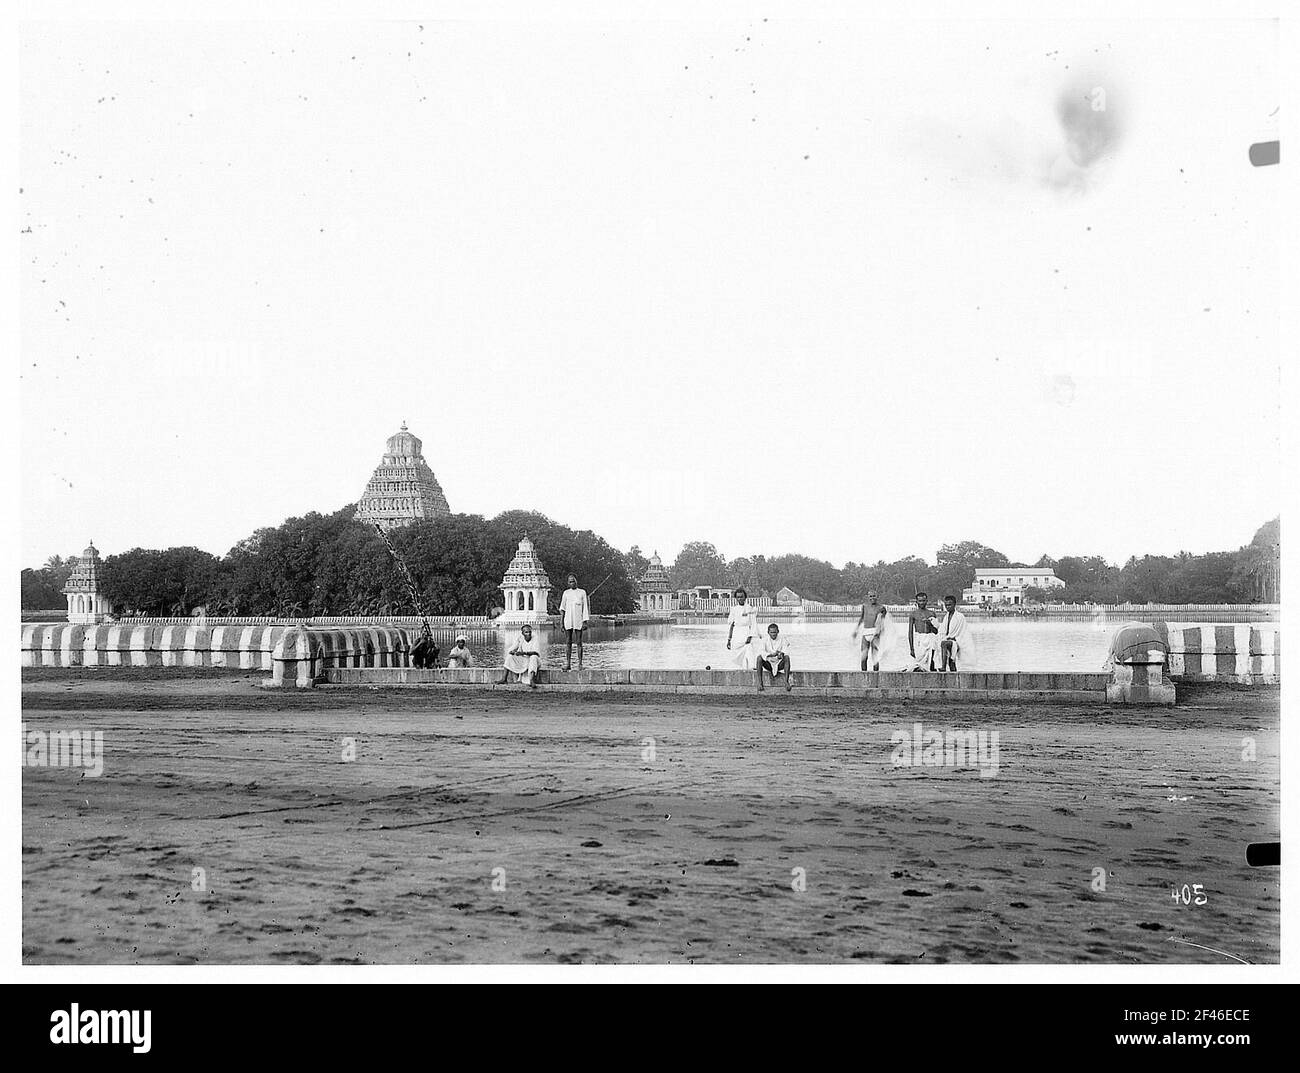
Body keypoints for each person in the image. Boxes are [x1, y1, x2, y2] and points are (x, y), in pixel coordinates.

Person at [558, 573, 591, 671]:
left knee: (579, 642)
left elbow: (585, 608)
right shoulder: (566, 593)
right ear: (568, 583)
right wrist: (561, 622)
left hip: (578, 619)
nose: (572, 583)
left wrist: (585, 621)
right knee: (568, 641)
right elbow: (562, 608)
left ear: (576, 581)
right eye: (570, 581)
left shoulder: (582, 592)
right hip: (568, 619)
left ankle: (580, 664)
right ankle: (568, 663)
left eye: (573, 581)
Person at [935, 595, 974, 671]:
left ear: (954, 604)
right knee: (951, 663)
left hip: (958, 641)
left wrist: (954, 638)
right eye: (946, 605)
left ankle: (943, 667)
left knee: (944, 643)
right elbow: (942, 631)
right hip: (948, 640)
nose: (948, 607)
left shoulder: (960, 616)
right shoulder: (946, 617)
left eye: (950, 605)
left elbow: (964, 632)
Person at [853, 590, 889, 671]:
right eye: (871, 596)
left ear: (877, 596)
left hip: (875, 632)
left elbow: (883, 621)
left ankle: (876, 676)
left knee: (875, 657)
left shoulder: (881, 607)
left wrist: (880, 632)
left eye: (874, 596)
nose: (872, 598)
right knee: (863, 656)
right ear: (868, 597)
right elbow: (862, 618)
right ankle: (864, 675)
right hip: (865, 632)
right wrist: (856, 630)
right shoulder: (865, 606)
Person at [725, 588, 758, 670]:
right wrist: (729, 639)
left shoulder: (750, 608)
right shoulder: (734, 609)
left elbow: (753, 624)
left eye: (741, 597)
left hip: (746, 632)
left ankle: (752, 668)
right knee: (737, 656)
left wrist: (750, 636)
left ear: (745, 597)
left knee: (749, 650)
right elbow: (732, 625)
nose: (740, 599)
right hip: (737, 634)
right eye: (738, 597)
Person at [756, 622, 793, 692]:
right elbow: (761, 652)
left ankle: (786, 682)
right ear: (768, 632)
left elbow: (786, 650)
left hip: (779, 663)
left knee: (787, 658)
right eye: (771, 632)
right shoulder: (764, 640)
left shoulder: (783, 639)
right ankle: (760, 683)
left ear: (778, 632)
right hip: (769, 664)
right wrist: (771, 655)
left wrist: (781, 654)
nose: (773, 634)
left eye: (775, 632)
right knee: (759, 658)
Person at [907, 592, 938, 672]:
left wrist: (929, 624)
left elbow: (936, 631)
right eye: (920, 601)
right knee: (918, 665)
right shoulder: (913, 614)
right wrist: (911, 648)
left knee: (930, 663)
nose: (922, 603)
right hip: (919, 641)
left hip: (930, 639)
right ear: (916, 602)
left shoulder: (932, 613)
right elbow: (910, 632)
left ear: (927, 601)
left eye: (923, 601)